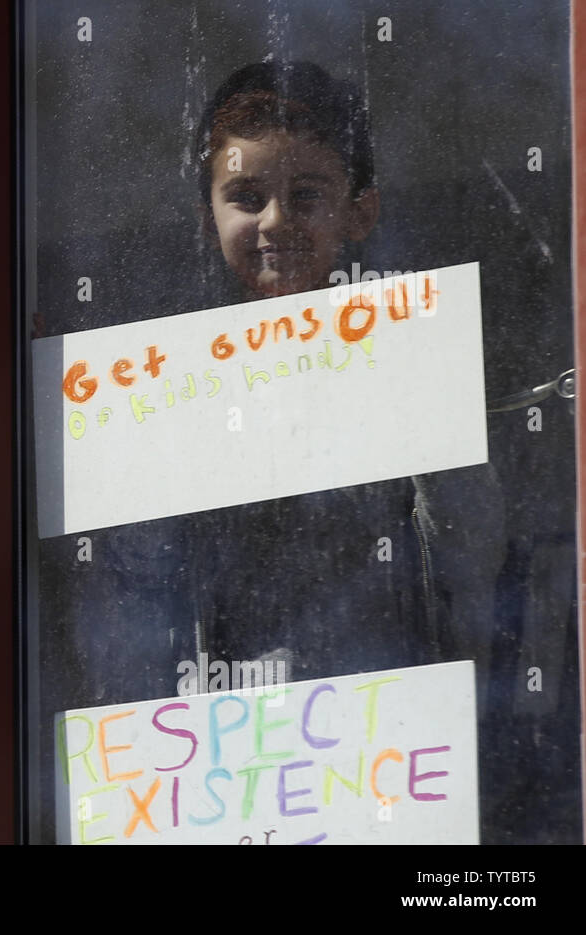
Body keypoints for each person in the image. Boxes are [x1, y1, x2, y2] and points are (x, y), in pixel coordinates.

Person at [187, 61, 506, 687]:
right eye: (247, 197)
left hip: (392, 723)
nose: (276, 220)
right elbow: (141, 576)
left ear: (361, 213)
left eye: (306, 194)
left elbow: (470, 555)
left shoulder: (405, 353)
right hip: (221, 742)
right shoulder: (174, 381)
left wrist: (427, 399)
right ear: (208, 219)